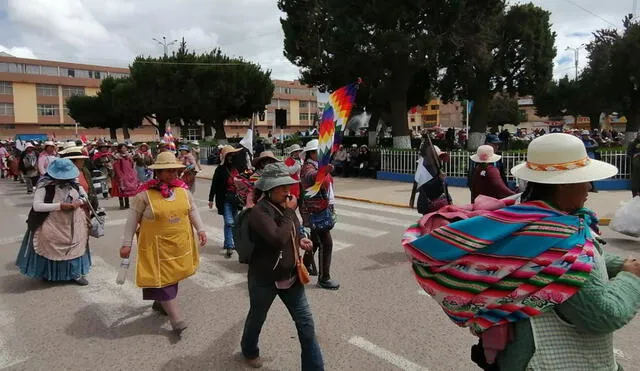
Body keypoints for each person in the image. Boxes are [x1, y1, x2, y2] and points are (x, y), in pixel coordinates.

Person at [404, 133, 640, 370]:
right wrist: (631, 277)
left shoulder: (525, 221)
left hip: (514, 357)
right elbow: (602, 315)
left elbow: (583, 257)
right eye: (584, 179)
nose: (590, 186)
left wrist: (618, 263)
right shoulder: (561, 241)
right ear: (564, 184)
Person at [240, 163, 324, 370]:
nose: (287, 191)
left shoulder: (285, 207)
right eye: (281, 187)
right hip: (263, 279)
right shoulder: (258, 213)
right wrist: (289, 213)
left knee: (306, 326)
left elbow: (293, 229)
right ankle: (249, 349)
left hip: (291, 276)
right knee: (257, 318)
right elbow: (277, 238)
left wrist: (301, 239)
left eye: (288, 185)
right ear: (268, 189)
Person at [120, 151, 206, 334]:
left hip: (179, 244)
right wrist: (126, 243)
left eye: (174, 171)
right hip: (155, 247)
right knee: (163, 279)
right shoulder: (144, 195)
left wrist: (201, 230)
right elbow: (132, 219)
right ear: (157, 173)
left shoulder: (183, 190)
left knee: (172, 277)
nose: (172, 174)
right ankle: (176, 319)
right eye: (167, 171)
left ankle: (160, 302)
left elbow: (192, 211)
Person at [16, 158, 92, 286]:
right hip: (52, 222)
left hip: (74, 221)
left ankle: (76, 273)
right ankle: (49, 273)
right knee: (51, 246)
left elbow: (85, 196)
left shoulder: (74, 183)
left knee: (75, 245)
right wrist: (59, 206)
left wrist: (79, 202)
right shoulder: (44, 186)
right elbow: (37, 206)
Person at [300, 139, 340, 290]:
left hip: (320, 210)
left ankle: (302, 267)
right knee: (327, 244)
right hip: (315, 211)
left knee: (315, 242)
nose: (322, 154)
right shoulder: (308, 167)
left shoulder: (317, 165)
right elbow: (311, 177)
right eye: (319, 152)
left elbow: (328, 190)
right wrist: (323, 171)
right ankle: (324, 278)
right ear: (311, 153)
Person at [209, 145, 243, 258]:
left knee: (233, 222)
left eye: (233, 154)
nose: (232, 157)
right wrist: (210, 199)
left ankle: (227, 242)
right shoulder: (220, 169)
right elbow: (214, 185)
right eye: (230, 155)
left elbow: (243, 181)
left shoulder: (236, 168)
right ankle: (229, 245)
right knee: (229, 222)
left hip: (236, 199)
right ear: (225, 156)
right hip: (225, 199)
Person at [60, 146, 99, 210]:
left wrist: (94, 200)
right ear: (72, 162)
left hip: (86, 205)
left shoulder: (84, 171)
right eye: (80, 160)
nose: (83, 162)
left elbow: (91, 187)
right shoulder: (63, 175)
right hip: (71, 208)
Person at [112, 143, 139, 210]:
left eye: (125, 148)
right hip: (119, 174)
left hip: (127, 174)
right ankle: (121, 204)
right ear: (119, 149)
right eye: (122, 148)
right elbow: (115, 166)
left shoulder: (129, 155)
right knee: (120, 189)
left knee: (126, 188)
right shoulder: (116, 156)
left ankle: (127, 204)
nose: (124, 149)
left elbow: (132, 165)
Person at [627, 133, 640, 197]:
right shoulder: (633, 143)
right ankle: (635, 193)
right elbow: (629, 152)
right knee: (636, 179)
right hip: (636, 164)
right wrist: (636, 154)